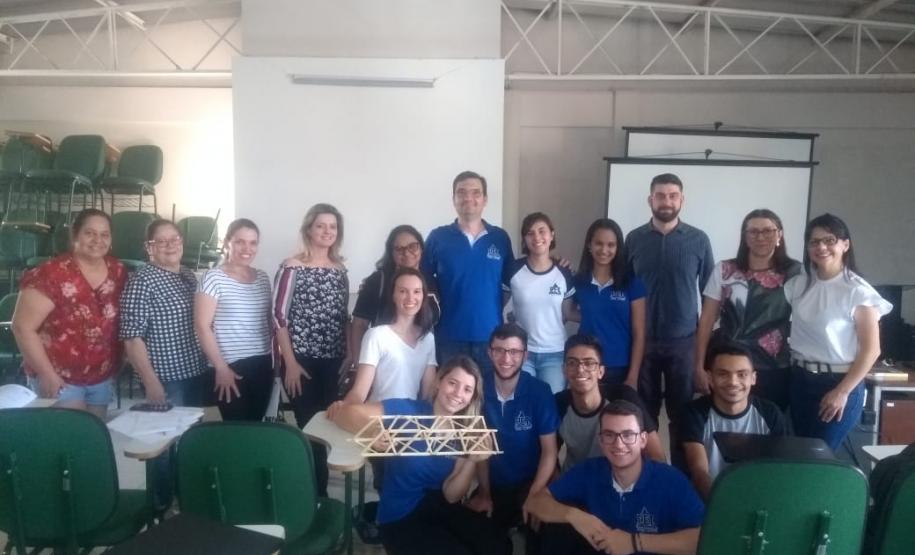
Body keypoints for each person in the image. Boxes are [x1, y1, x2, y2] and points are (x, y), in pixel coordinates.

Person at [327, 357, 511, 555]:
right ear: (439, 382)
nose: (458, 394)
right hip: (400, 515)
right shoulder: (409, 411)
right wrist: (372, 432)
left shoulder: (464, 429)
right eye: (452, 383)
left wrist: (472, 459)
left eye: (467, 389)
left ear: (472, 396)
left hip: (438, 505)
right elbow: (346, 414)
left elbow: (451, 496)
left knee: (499, 545)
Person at [526, 400, 704, 555]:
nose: (618, 444)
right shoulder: (590, 471)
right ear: (601, 441)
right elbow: (535, 502)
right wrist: (575, 516)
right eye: (609, 435)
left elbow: (703, 538)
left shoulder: (671, 481)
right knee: (555, 531)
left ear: (643, 440)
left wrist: (634, 542)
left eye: (628, 435)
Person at [626, 173, 714, 466]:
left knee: (683, 414)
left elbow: (710, 295)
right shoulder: (634, 239)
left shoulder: (699, 240)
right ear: (650, 200)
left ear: (681, 200)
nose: (667, 201)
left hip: (683, 343)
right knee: (644, 415)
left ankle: (682, 476)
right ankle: (648, 472)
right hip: (643, 342)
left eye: (672, 195)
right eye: (660, 196)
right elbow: (622, 286)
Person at [785, 213, 891, 451]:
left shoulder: (858, 291)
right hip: (801, 380)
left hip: (838, 382)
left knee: (820, 455)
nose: (821, 246)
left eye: (829, 240)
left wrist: (842, 391)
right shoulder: (799, 284)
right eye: (814, 241)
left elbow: (871, 350)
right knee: (800, 454)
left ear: (845, 244)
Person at [13, 208, 127, 419]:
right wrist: (46, 374)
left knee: (93, 438)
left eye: (104, 234)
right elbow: (22, 327)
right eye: (89, 233)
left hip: (101, 376)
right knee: (71, 440)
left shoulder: (118, 271)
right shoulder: (50, 273)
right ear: (75, 235)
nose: (97, 240)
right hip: (59, 376)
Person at [274, 203, 350, 497]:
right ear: (309, 229)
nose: (327, 231)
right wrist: (289, 363)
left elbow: (343, 316)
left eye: (333, 227)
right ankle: (314, 494)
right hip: (300, 361)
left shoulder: (340, 269)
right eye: (321, 225)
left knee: (329, 427)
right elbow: (278, 316)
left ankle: (317, 490)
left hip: (332, 361)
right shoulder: (292, 266)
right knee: (309, 427)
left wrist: (348, 356)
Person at [695, 209, 801, 410]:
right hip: (728, 366)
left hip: (773, 367)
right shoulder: (725, 270)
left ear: (779, 235)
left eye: (768, 231)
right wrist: (698, 365)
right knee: (727, 423)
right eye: (753, 232)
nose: (760, 237)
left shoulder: (795, 273)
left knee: (770, 429)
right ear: (745, 237)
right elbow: (707, 320)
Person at [466, 323, 559, 542]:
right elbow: (479, 450)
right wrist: (484, 494)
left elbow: (549, 452)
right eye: (499, 350)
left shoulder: (540, 391)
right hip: (494, 483)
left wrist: (536, 494)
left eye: (514, 352)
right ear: (490, 352)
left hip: (532, 483)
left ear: (525, 355)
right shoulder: (477, 390)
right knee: (483, 539)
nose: (506, 359)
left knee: (545, 540)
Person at [422, 170, 513, 374]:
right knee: (452, 400)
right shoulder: (438, 237)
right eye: (461, 192)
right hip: (448, 337)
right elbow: (424, 282)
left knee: (487, 400)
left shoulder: (499, 238)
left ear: (485, 199)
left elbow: (509, 284)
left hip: (491, 337)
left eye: (475, 192)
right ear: (453, 199)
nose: (468, 198)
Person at [681, 340, 787, 500]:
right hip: (710, 500)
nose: (733, 382)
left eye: (742, 374)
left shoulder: (770, 413)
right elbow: (699, 471)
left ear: (753, 378)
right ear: (710, 378)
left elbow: (778, 466)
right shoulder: (694, 413)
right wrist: (723, 505)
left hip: (757, 498)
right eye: (723, 374)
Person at [121, 219, 209, 407]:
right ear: (149, 247)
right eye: (161, 241)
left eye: (174, 239)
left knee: (193, 432)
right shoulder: (142, 281)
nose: (170, 245)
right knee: (173, 435)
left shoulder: (187, 274)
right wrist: (150, 381)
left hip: (195, 371)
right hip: (166, 379)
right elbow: (132, 338)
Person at [195, 218, 273, 422]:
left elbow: (267, 322)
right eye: (240, 241)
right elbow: (202, 327)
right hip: (230, 367)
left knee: (257, 424)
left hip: (262, 363)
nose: (247, 248)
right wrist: (220, 367)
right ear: (227, 242)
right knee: (237, 429)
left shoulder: (263, 278)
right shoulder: (212, 278)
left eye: (253, 242)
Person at [554, 334, 665, 471]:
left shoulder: (624, 397)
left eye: (589, 363)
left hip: (619, 479)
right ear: (564, 370)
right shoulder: (558, 404)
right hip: (575, 482)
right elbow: (548, 458)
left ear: (601, 371)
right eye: (572, 363)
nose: (580, 370)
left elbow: (657, 456)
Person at [502, 212, 574, 393]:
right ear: (524, 239)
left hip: (555, 353)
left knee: (551, 403)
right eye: (530, 233)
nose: (537, 237)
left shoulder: (564, 272)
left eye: (542, 231)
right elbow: (498, 305)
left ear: (552, 235)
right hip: (521, 352)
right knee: (522, 400)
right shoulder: (513, 270)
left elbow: (568, 313)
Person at [570, 218, 646, 387]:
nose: (604, 250)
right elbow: (568, 312)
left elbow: (639, 333)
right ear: (589, 245)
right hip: (586, 366)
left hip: (620, 367)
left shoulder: (632, 284)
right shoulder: (578, 282)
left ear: (618, 248)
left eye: (611, 245)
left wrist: (633, 376)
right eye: (599, 243)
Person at [350, 225, 440, 363]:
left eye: (413, 246)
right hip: (383, 361)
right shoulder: (378, 281)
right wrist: (357, 362)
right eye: (399, 249)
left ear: (421, 248)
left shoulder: (432, 281)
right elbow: (359, 324)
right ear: (391, 253)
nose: (407, 252)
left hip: (423, 360)